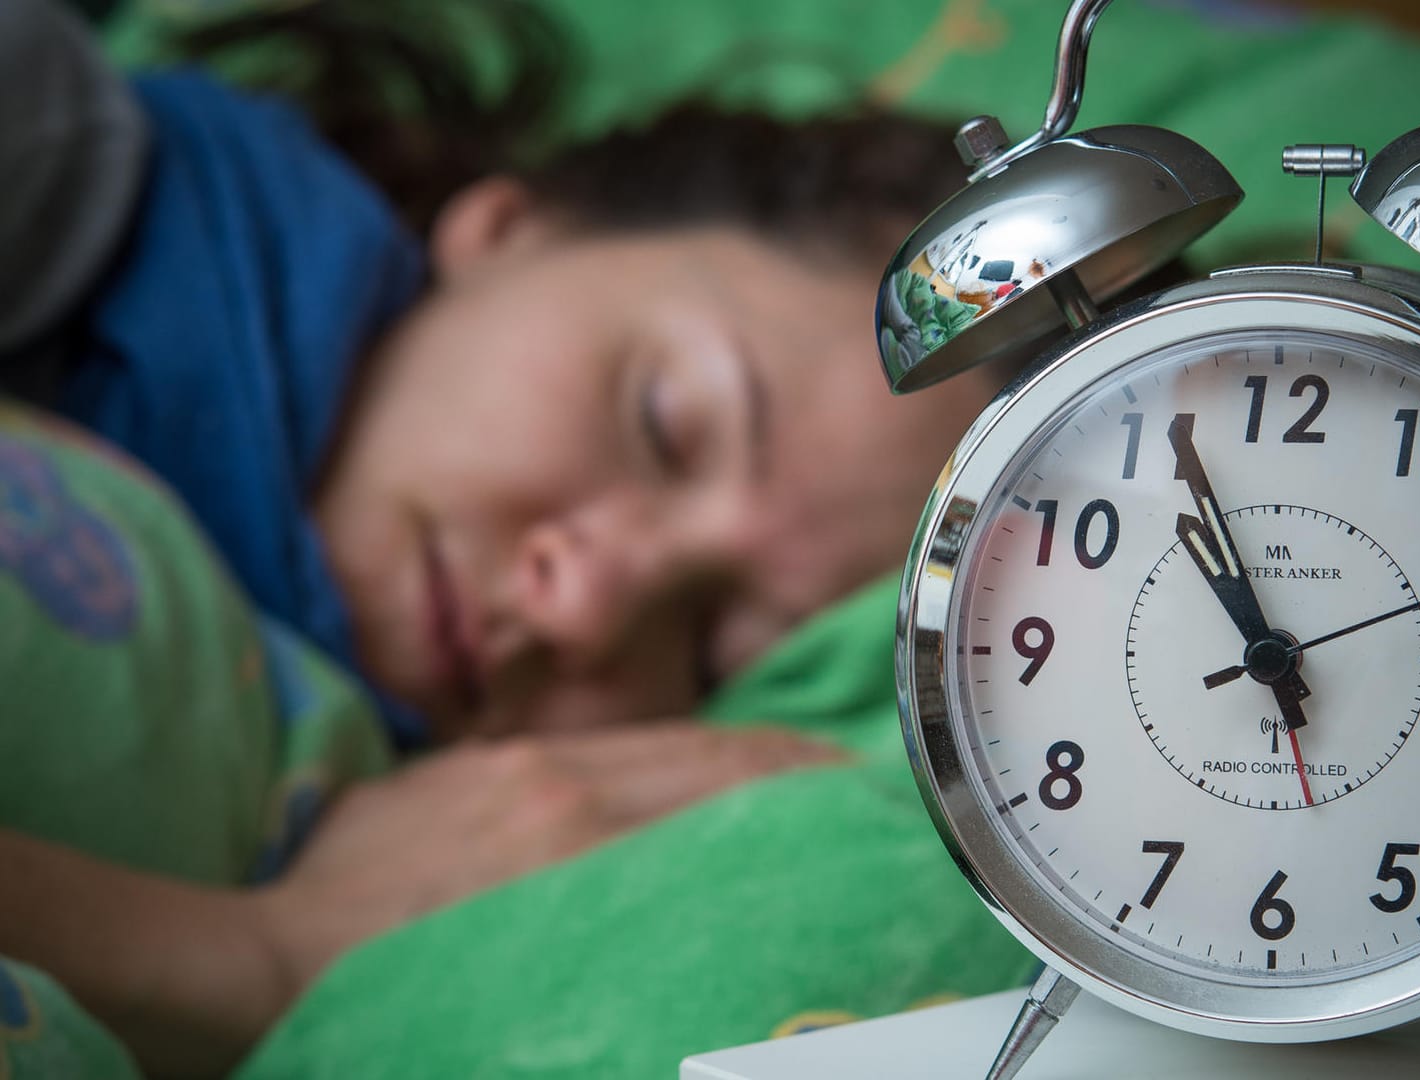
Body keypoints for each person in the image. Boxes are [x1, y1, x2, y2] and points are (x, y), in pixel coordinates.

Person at [0, 0, 1021, 1074]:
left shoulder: (336, 805)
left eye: (707, 639)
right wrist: (238, 954)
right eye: (663, 426)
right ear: (509, 227)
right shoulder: (56, 143)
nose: (585, 608)